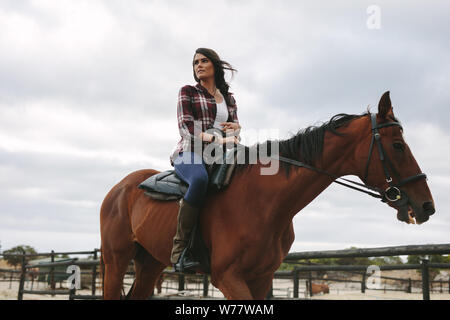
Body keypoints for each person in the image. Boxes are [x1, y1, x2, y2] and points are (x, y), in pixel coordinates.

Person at [169, 48, 241, 271]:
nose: (198, 65)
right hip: (188, 153)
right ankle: (179, 250)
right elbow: (186, 127)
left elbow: (235, 131)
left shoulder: (228, 98)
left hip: (220, 154)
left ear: (215, 66)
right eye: (195, 63)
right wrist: (214, 139)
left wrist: (237, 129)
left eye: (204, 61)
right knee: (199, 179)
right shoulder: (188, 91)